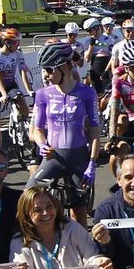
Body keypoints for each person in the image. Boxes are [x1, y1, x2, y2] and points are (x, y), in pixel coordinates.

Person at [31, 42, 103, 215]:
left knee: (79, 214)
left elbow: (94, 132)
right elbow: (37, 129)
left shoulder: (87, 93)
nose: (47, 75)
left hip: (79, 157)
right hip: (53, 156)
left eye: (49, 70)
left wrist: (92, 163)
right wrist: (42, 145)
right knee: (29, 199)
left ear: (64, 67)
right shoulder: (43, 94)